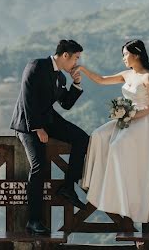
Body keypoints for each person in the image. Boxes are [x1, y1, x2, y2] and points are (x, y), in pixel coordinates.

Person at [78, 39, 149, 225]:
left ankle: (121, 193)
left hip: (142, 121)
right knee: (98, 135)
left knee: (117, 146)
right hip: (126, 118)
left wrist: (131, 115)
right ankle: (96, 182)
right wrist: (83, 69)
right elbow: (102, 80)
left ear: (136, 54)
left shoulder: (147, 76)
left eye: (125, 54)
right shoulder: (127, 74)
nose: (124, 58)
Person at [10, 39, 90, 235]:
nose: (77, 63)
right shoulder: (36, 66)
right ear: (65, 55)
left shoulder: (61, 78)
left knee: (81, 138)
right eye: (76, 58)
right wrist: (37, 128)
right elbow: (27, 98)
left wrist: (77, 83)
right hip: (27, 123)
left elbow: (66, 104)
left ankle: (68, 186)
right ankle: (33, 220)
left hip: (48, 119)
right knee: (39, 166)